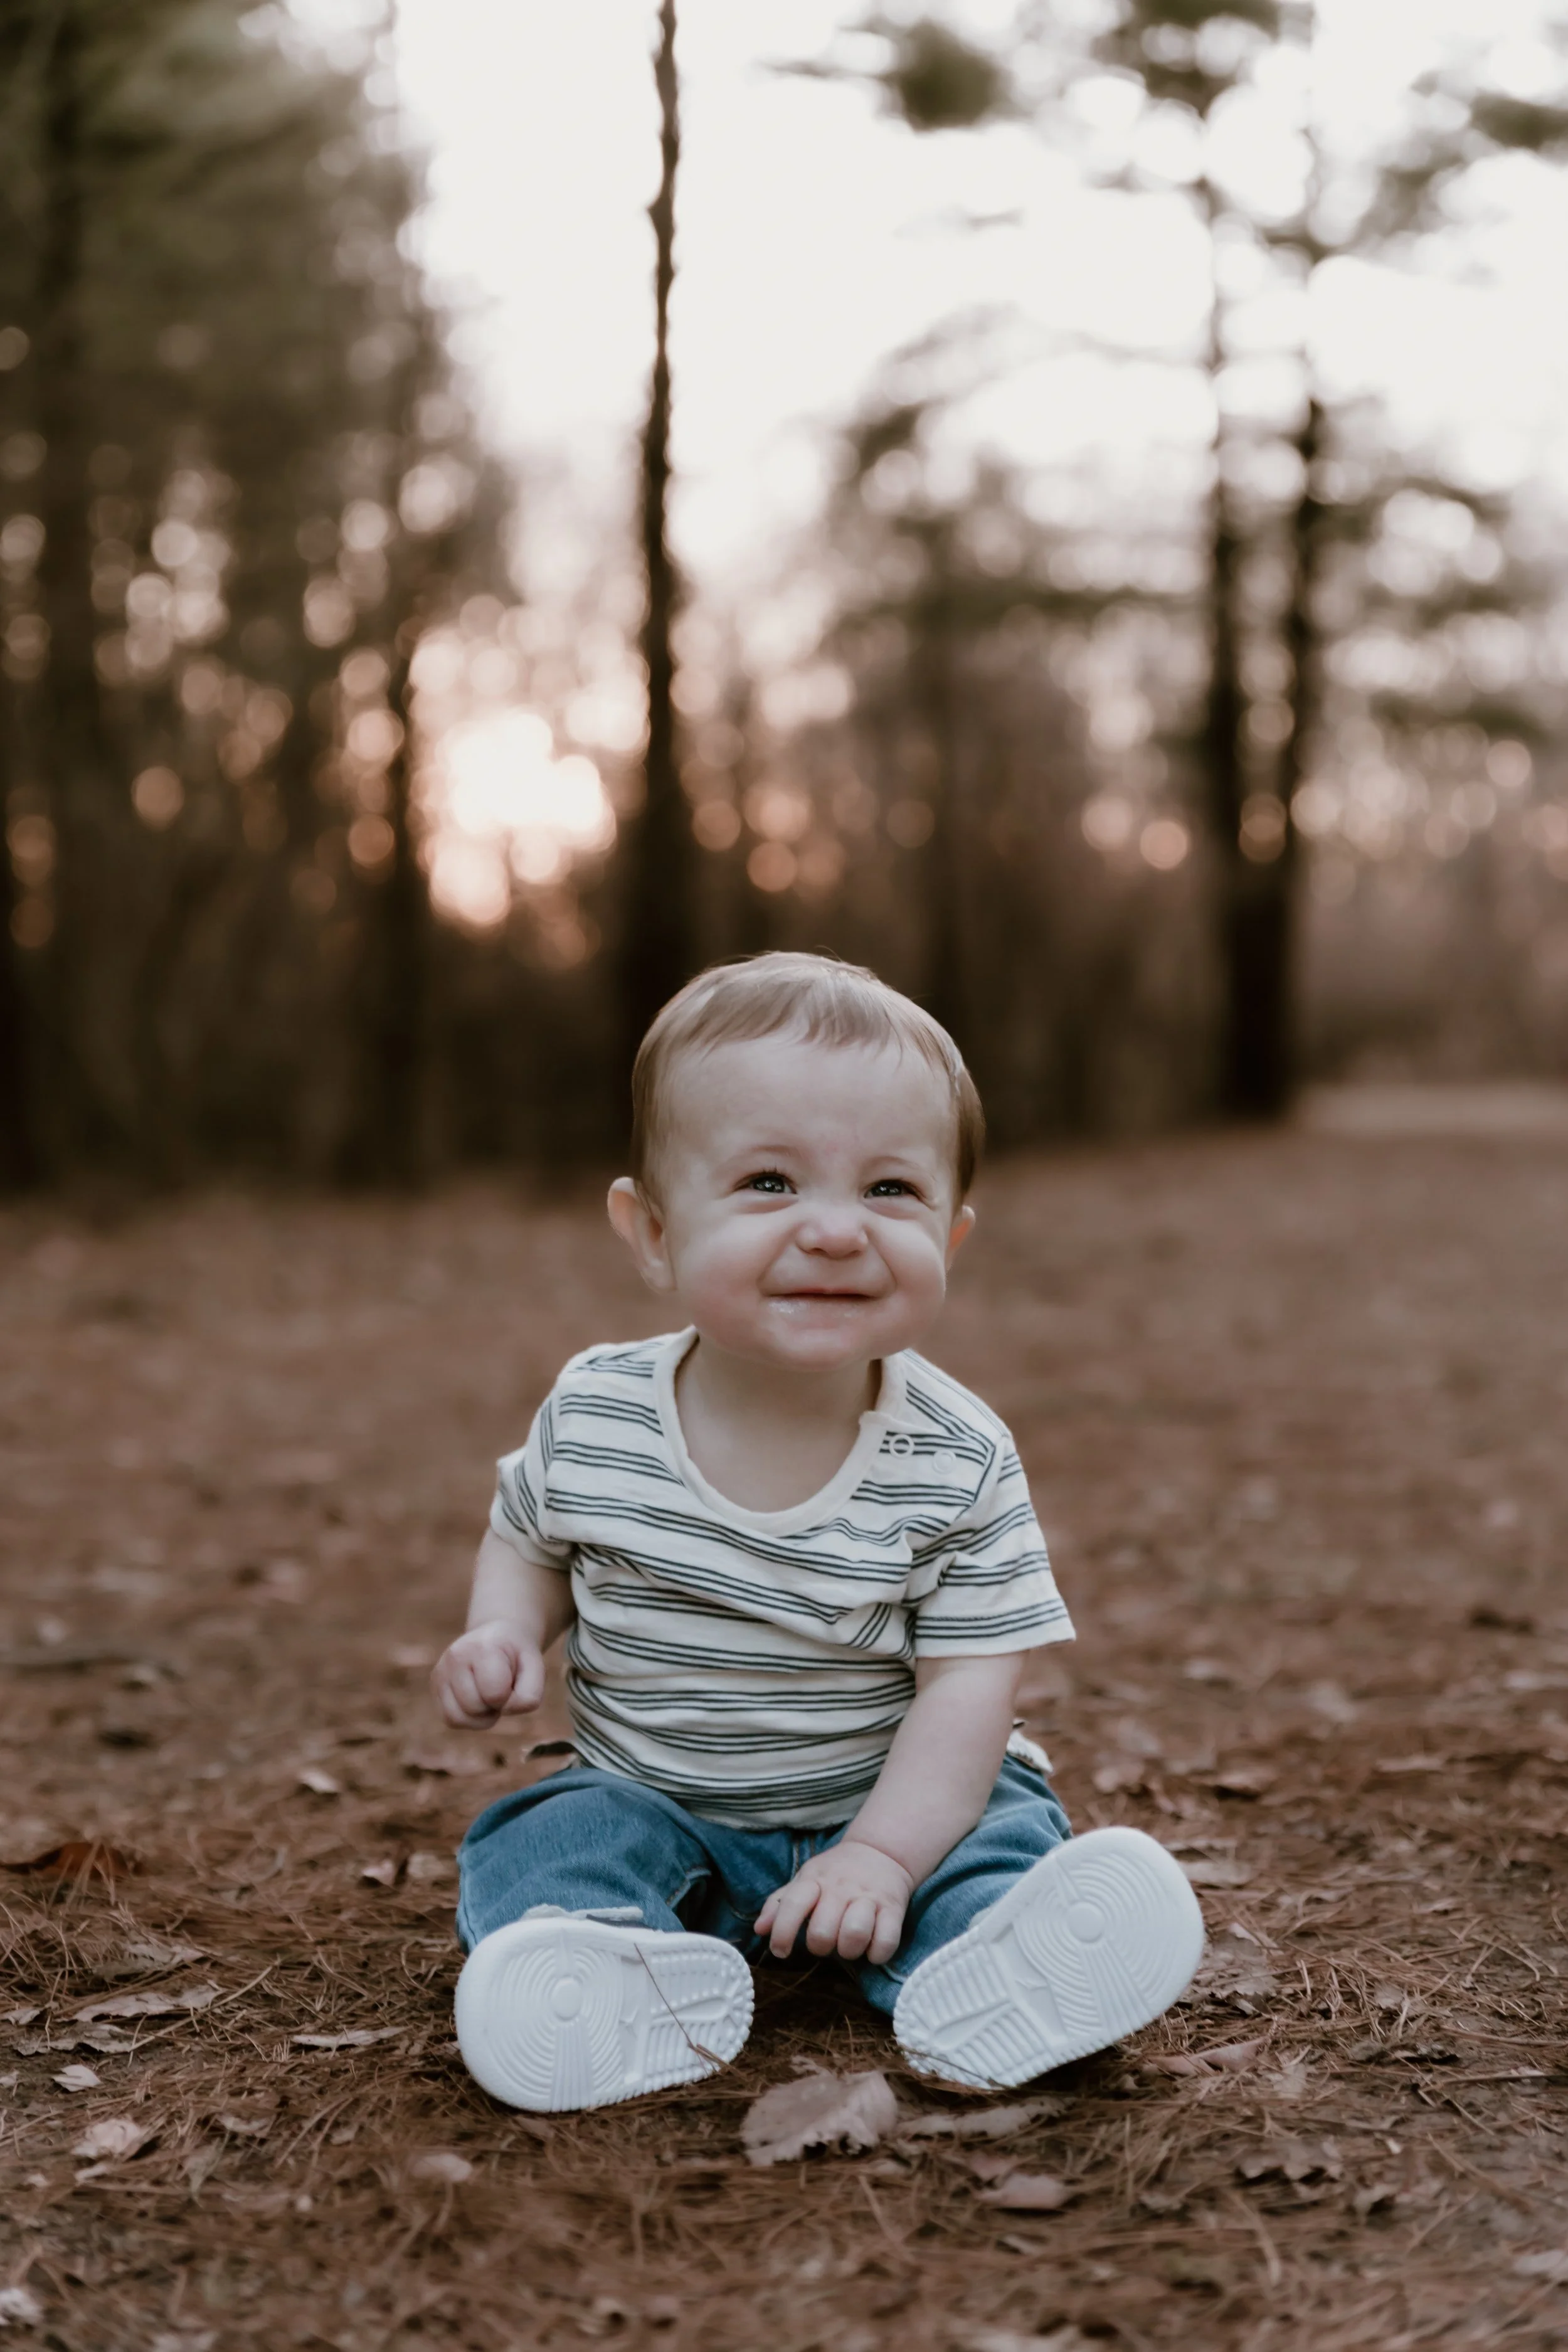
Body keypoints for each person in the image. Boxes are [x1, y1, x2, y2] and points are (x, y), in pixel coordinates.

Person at [432, 952, 1203, 2113]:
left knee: (995, 1835)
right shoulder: (594, 1411)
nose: (837, 1230)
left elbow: (967, 1690)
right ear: (650, 1231)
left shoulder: (958, 1454)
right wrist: (503, 1632)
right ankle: (608, 1969)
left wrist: (884, 1855)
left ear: (951, 1236)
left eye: (892, 1190)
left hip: (894, 1795)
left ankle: (993, 1958)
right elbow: (535, 1541)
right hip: (657, 1795)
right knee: (551, 1840)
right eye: (771, 1182)